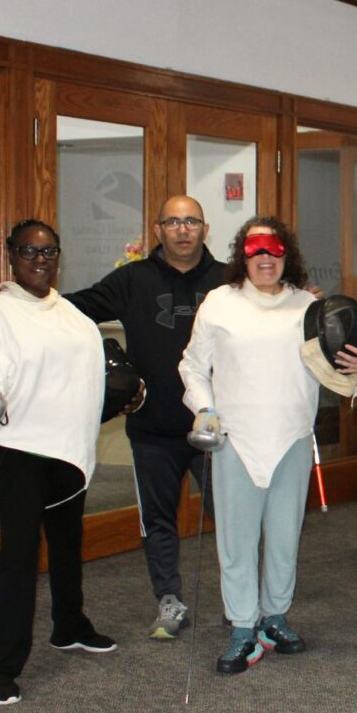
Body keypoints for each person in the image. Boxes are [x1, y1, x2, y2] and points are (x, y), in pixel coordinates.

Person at [179, 217, 357, 675]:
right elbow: (193, 366)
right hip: (235, 439)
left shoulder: (308, 308)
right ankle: (241, 627)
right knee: (236, 541)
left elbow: (347, 379)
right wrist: (205, 408)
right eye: (255, 251)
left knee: (285, 537)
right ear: (242, 256)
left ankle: (274, 618)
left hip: (291, 437)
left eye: (273, 251)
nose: (265, 259)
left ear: (286, 255)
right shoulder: (219, 303)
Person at [0, 220, 123, 705]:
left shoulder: (69, 313)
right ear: (10, 254)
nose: (40, 259)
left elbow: (89, 376)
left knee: (67, 542)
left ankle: (70, 626)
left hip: (67, 445)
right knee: (20, 553)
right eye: (30, 250)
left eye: (49, 251)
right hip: (16, 447)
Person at [67, 194, 223, 641]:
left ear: (204, 229)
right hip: (153, 429)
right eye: (172, 222)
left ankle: (242, 601)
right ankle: (169, 599)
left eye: (191, 221)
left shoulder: (228, 281)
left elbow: (273, 307)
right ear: (158, 231)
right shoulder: (133, 279)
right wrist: (25, 299)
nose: (182, 230)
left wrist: (303, 300)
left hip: (214, 427)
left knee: (233, 519)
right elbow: (77, 306)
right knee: (158, 520)